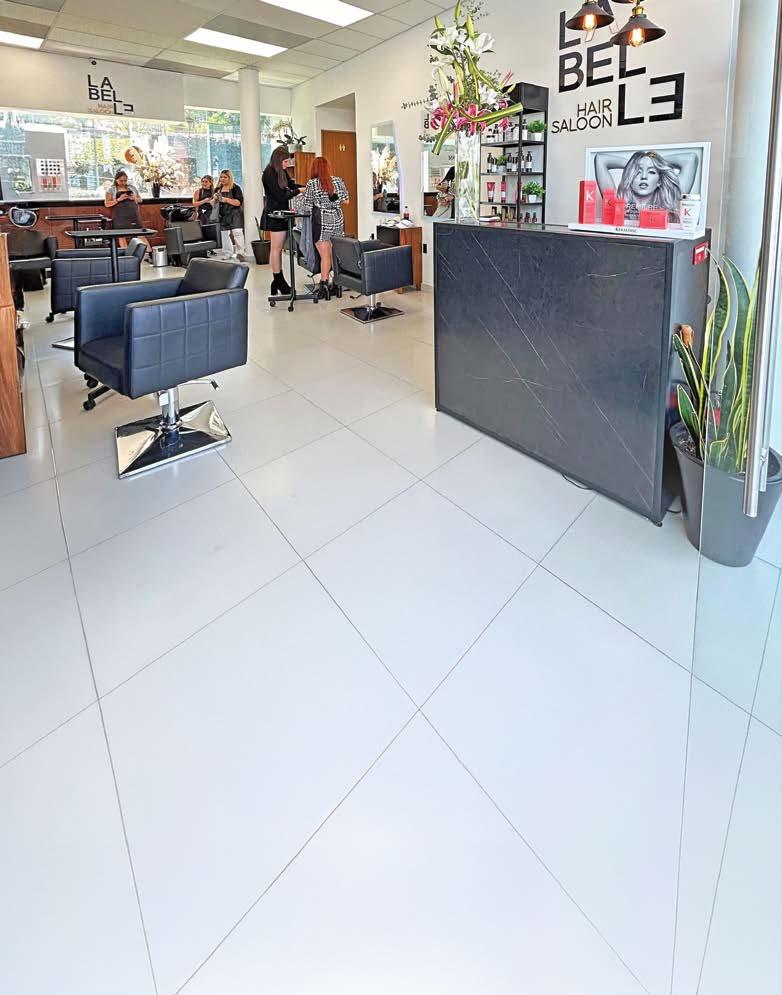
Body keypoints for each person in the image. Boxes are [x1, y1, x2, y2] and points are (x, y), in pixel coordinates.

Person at [594, 149, 699, 224]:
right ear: (630, 176)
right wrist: (633, 164)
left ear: (659, 181)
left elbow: (691, 159)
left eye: (652, 172)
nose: (644, 176)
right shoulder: (618, 200)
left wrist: (653, 161)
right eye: (637, 171)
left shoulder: (671, 200)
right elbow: (600, 159)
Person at [300, 155, 349, 300]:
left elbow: (307, 207)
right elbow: (346, 201)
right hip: (338, 220)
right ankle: (337, 286)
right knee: (333, 254)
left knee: (324, 256)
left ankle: (324, 286)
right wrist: (333, 199)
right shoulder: (338, 180)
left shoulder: (312, 183)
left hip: (321, 221)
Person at [262, 145, 301, 296]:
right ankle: (279, 281)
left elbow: (292, 185)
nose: (287, 164)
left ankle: (277, 281)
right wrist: (298, 191)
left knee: (277, 248)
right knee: (276, 249)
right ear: (278, 161)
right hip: (275, 215)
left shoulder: (281, 171)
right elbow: (280, 196)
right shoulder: (269, 173)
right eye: (285, 162)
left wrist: (306, 187)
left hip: (282, 213)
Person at [104, 170, 150, 252]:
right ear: (116, 180)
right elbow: (107, 204)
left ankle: (149, 254)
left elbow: (140, 200)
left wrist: (133, 198)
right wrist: (119, 199)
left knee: (141, 234)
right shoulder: (111, 190)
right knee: (121, 236)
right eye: (121, 181)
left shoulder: (132, 188)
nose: (123, 183)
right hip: (119, 217)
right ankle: (126, 254)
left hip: (134, 215)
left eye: (125, 180)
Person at [215, 169, 247, 259]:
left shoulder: (235, 188)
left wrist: (225, 200)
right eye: (221, 177)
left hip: (235, 213)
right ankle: (227, 253)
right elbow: (213, 204)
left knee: (237, 232)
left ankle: (240, 253)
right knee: (224, 234)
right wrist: (214, 199)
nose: (222, 179)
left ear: (230, 178)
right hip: (223, 214)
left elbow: (238, 202)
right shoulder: (217, 189)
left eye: (225, 177)